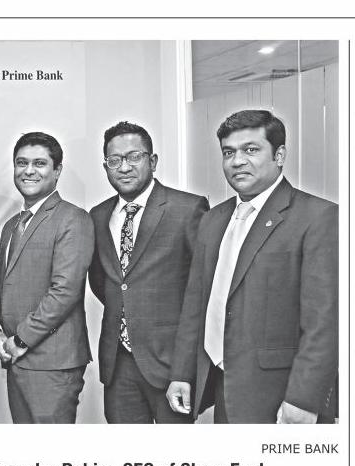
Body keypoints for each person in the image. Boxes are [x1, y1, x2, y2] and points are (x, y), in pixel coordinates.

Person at [167, 109, 338, 424]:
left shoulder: (317, 217)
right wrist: (182, 373)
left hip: (281, 395)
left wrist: (304, 399)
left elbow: (324, 323)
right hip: (223, 385)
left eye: (251, 149)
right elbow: (196, 304)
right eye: (228, 152)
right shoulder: (212, 219)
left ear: (279, 155)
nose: (237, 161)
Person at [89, 121, 208, 423]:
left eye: (134, 157)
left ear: (152, 161)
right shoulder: (98, 216)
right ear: (105, 167)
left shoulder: (187, 209)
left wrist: (185, 369)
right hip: (118, 363)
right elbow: (103, 283)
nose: (124, 167)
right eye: (114, 160)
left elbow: (201, 291)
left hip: (171, 364)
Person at [0, 132, 94, 423]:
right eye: (21, 163)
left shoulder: (73, 219)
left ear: (57, 170)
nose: (29, 171)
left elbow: (64, 292)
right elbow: (0, 287)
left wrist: (21, 341)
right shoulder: (11, 225)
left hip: (52, 364)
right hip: (15, 357)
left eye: (40, 163)